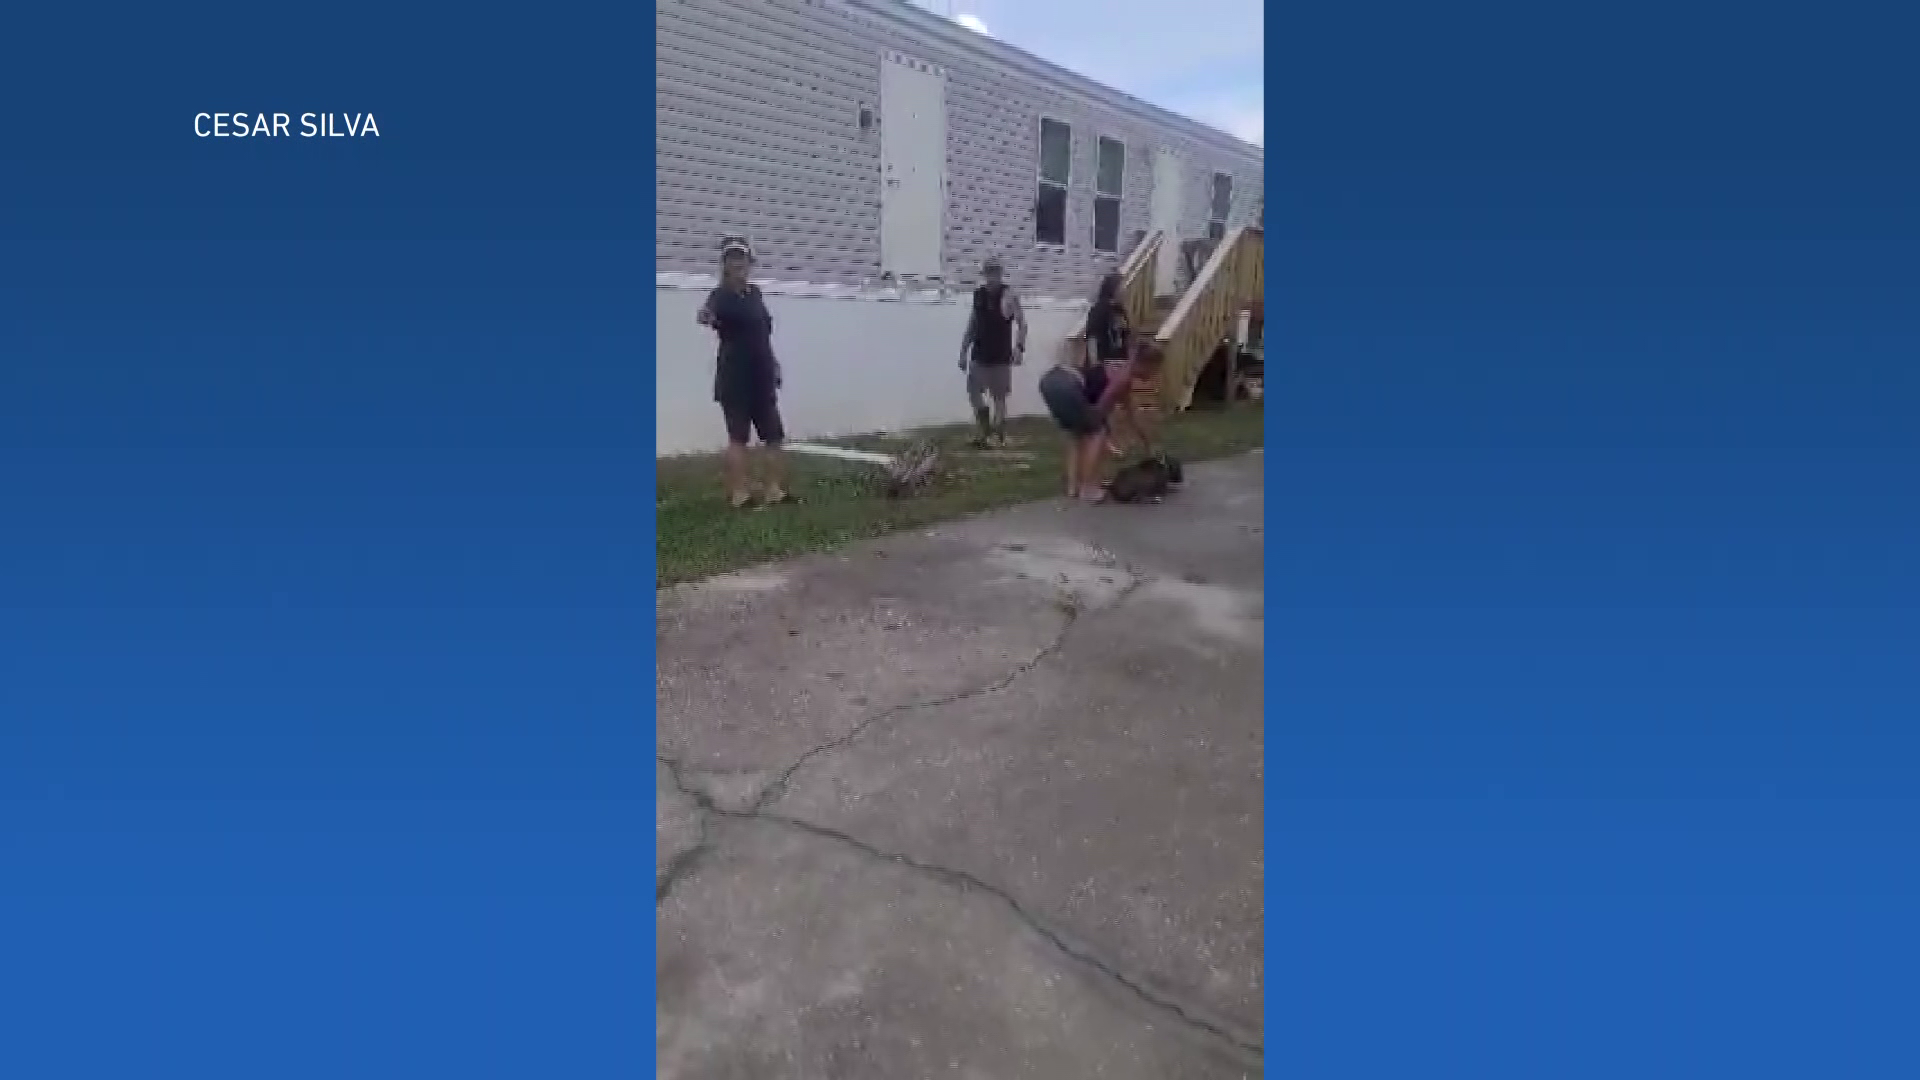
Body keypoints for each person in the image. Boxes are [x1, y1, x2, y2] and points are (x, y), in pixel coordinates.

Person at [698, 236, 790, 508]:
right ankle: (740, 495)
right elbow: (706, 313)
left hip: (762, 376)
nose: (738, 263)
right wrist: (707, 317)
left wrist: (773, 363)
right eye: (732, 258)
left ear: (750, 263)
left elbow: (763, 334)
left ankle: (774, 491)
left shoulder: (756, 294)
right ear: (725, 264)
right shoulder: (719, 295)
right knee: (738, 438)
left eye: (742, 258)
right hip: (735, 378)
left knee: (774, 436)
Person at [958, 255, 1026, 448]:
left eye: (996, 272)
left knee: (999, 398)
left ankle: (998, 434)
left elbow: (1022, 324)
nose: (992, 276)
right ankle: (986, 431)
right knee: (973, 392)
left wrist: (1019, 347)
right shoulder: (978, 295)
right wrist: (963, 351)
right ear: (985, 274)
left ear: (1001, 273)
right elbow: (972, 324)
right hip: (979, 353)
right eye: (989, 272)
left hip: (1000, 355)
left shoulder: (1009, 295)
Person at [1082, 272, 1141, 455]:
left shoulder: (1121, 311)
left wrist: (1131, 360)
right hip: (1107, 361)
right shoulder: (1099, 309)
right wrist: (1095, 364)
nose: (1124, 290)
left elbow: (1127, 337)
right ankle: (1105, 441)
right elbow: (1091, 337)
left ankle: (1132, 438)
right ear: (1112, 288)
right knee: (1108, 405)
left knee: (1126, 404)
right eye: (1121, 286)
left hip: (1121, 362)